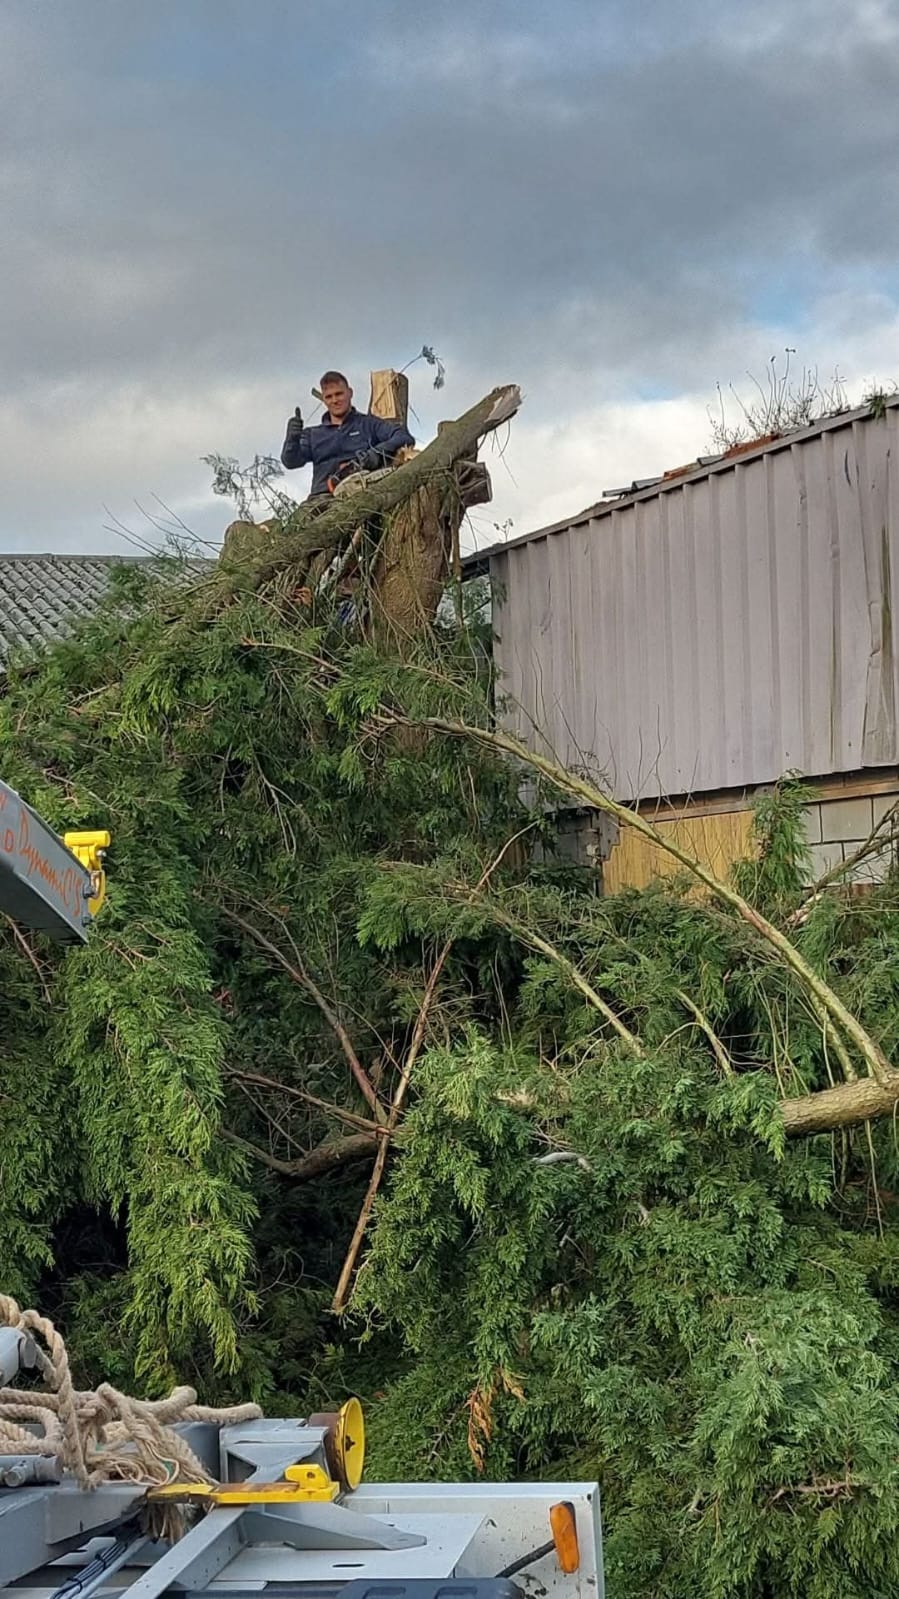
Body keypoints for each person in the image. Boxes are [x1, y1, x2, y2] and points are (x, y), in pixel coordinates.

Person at [281, 370, 414, 500]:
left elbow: (403, 436)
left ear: (350, 393)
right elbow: (291, 462)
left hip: (361, 495)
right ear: (324, 399)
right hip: (320, 499)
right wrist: (292, 439)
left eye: (339, 394)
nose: (334, 400)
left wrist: (376, 454)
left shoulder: (368, 424)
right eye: (329, 396)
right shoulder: (312, 434)